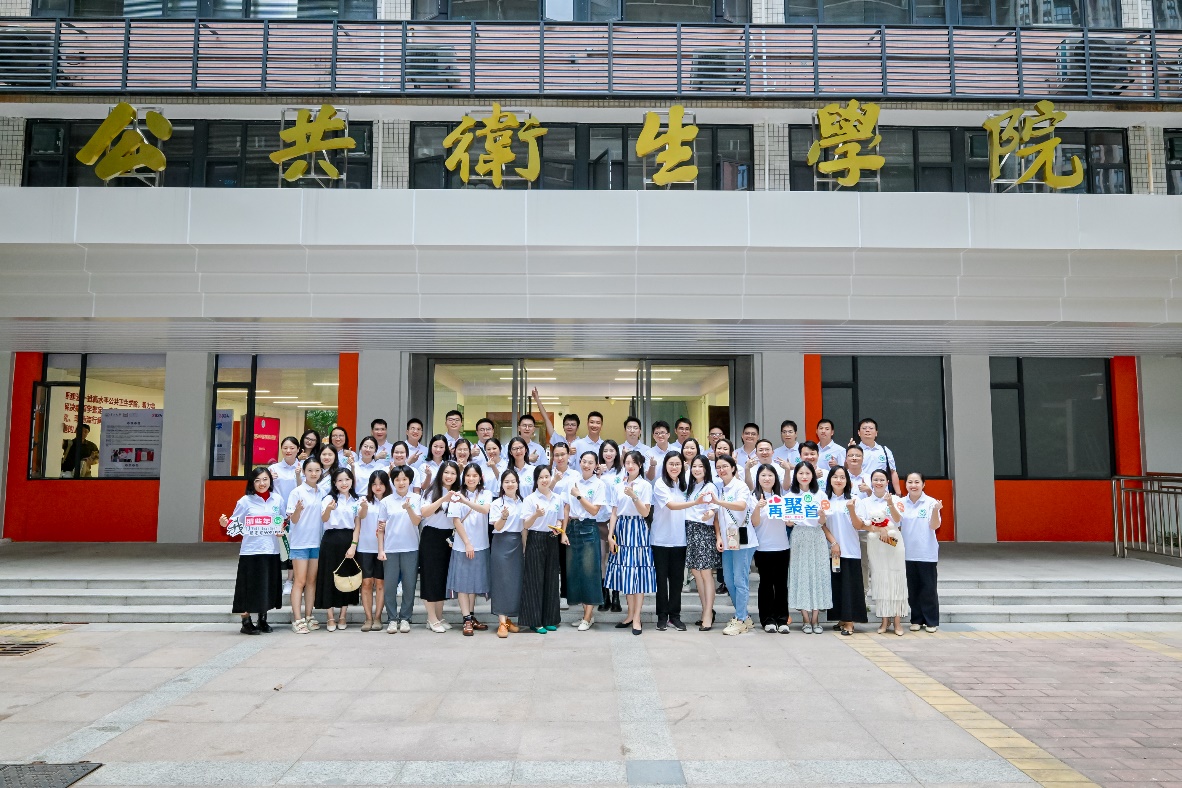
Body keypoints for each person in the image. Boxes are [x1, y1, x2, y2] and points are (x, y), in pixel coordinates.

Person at [221, 467, 283, 635]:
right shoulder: (245, 501)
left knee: (266, 586)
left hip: (271, 550)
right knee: (247, 587)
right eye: (257, 480)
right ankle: (246, 622)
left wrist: (281, 528)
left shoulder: (277, 499)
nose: (262, 483)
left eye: (265, 479)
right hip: (251, 551)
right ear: (252, 483)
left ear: (270, 481)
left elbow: (282, 520)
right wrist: (225, 523)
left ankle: (262, 620)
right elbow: (234, 524)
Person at [849, 469, 908, 636]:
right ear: (871, 482)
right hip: (875, 544)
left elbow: (898, 520)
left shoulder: (896, 499)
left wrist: (890, 504)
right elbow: (862, 524)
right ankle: (884, 620)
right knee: (880, 579)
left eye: (882, 479)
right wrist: (878, 529)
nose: (879, 482)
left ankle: (897, 621)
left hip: (894, 543)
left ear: (888, 482)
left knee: (896, 579)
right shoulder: (865, 502)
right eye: (876, 479)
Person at [605, 450, 655, 635]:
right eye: (627, 462)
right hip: (622, 528)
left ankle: (637, 618)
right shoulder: (618, 485)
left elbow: (645, 512)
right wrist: (610, 534)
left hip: (638, 528)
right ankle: (629, 615)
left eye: (634, 462)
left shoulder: (645, 485)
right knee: (626, 572)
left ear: (640, 465)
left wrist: (634, 495)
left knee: (638, 573)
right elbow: (614, 512)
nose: (630, 465)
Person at [787, 462, 837, 634]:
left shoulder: (820, 494)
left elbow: (823, 521)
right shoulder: (790, 496)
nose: (804, 476)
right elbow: (788, 522)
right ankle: (805, 619)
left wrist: (821, 516)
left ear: (813, 476)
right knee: (800, 573)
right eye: (800, 473)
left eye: (807, 473)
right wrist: (788, 520)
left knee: (818, 573)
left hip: (817, 536)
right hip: (799, 536)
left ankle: (815, 619)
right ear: (796, 475)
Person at [652, 452, 698, 632]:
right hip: (661, 540)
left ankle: (675, 617)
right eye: (671, 464)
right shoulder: (660, 483)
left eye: (677, 464)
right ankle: (662, 617)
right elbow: (671, 505)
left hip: (680, 539)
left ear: (682, 466)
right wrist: (695, 502)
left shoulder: (685, 484)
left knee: (677, 581)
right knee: (661, 580)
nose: (674, 467)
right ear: (665, 465)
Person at [447, 463, 493, 636]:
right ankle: (466, 618)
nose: (471, 478)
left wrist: (465, 501)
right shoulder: (455, 495)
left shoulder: (486, 493)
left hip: (482, 545)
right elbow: (456, 520)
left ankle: (471, 616)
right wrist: (467, 543)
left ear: (480, 477)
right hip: (462, 546)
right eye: (468, 475)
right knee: (462, 584)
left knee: (473, 583)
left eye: (475, 475)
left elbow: (485, 510)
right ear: (463, 477)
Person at [565, 451, 608, 631]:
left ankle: (588, 616)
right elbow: (566, 507)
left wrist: (579, 496)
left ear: (596, 465)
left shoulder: (599, 484)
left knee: (589, 572)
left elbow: (594, 510)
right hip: (572, 527)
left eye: (590, 462)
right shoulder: (572, 481)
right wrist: (563, 531)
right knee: (575, 572)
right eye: (584, 461)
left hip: (588, 527)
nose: (586, 465)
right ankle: (586, 615)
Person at [520, 466, 566, 634]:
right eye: (541, 477)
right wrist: (536, 515)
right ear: (536, 480)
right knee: (535, 580)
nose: (545, 480)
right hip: (535, 538)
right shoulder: (530, 499)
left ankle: (549, 619)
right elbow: (525, 524)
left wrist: (558, 527)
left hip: (552, 539)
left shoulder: (557, 498)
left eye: (547, 476)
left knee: (551, 579)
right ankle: (535, 621)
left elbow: (560, 519)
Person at [316, 467, 362, 632]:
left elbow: (357, 524)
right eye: (340, 480)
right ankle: (330, 617)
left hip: (349, 540)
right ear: (334, 483)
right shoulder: (328, 498)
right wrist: (329, 509)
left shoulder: (356, 500)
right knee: (329, 577)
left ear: (352, 481)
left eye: (347, 479)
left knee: (346, 577)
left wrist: (353, 545)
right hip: (330, 540)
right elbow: (324, 518)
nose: (344, 483)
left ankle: (343, 615)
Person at [714, 454, 755, 636]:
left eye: (725, 466)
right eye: (718, 467)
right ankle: (744, 616)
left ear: (733, 468)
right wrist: (718, 537)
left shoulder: (740, 486)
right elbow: (717, 516)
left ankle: (740, 619)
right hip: (728, 540)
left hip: (744, 541)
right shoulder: (719, 487)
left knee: (740, 580)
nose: (721, 470)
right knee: (729, 580)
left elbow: (741, 505)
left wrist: (718, 502)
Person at [824, 466, 867, 636]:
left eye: (842, 477)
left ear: (847, 481)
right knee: (836, 585)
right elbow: (822, 525)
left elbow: (859, 525)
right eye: (835, 477)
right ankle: (841, 618)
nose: (839, 480)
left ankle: (849, 622)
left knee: (850, 586)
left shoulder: (855, 500)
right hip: (832, 550)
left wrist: (851, 510)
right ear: (830, 479)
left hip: (850, 550)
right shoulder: (825, 500)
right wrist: (833, 543)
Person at [419, 460, 461, 633]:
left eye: (453, 473)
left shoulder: (459, 493)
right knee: (430, 577)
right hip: (431, 537)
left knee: (442, 578)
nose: (449, 476)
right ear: (440, 474)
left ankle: (439, 615)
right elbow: (424, 512)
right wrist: (443, 499)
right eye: (446, 472)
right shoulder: (431, 491)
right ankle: (431, 618)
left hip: (449, 538)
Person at [378, 465, 421, 634]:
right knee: (389, 586)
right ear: (393, 481)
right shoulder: (386, 501)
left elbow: (416, 521)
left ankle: (405, 618)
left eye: (404, 479)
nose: (401, 483)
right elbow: (380, 528)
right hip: (390, 548)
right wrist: (381, 550)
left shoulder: (416, 498)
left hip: (411, 547)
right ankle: (391, 618)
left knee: (409, 585)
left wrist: (408, 507)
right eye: (397, 479)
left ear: (410, 481)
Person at [900, 472, 943, 633]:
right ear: (905, 484)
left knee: (928, 589)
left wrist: (935, 511)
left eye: (917, 482)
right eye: (910, 482)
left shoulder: (931, 503)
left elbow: (934, 526)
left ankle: (931, 621)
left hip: (926, 553)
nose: (913, 485)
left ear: (923, 484)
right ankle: (916, 619)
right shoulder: (901, 503)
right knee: (913, 589)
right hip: (907, 553)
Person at [750, 463, 791, 634]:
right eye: (763, 476)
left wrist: (789, 517)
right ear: (758, 479)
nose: (767, 479)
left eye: (770, 475)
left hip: (782, 546)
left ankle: (782, 619)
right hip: (763, 548)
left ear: (775, 479)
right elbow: (754, 523)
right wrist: (758, 507)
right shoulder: (753, 498)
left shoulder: (782, 498)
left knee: (781, 584)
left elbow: (789, 522)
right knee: (766, 584)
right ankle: (767, 619)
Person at [286, 458, 324, 633]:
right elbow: (292, 520)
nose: (313, 474)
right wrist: (298, 510)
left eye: (317, 470)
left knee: (311, 581)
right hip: (300, 543)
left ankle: (309, 616)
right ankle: (297, 619)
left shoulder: (322, 492)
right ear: (304, 472)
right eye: (310, 470)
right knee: (299, 581)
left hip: (316, 542)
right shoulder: (297, 492)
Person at [350, 469, 390, 632]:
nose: (378, 487)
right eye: (374, 484)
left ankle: (378, 617)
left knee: (380, 583)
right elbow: (360, 519)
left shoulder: (390, 501)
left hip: (385, 548)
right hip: (365, 548)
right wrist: (364, 507)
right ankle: (368, 618)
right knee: (366, 583)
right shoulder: (363, 500)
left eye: (381, 483)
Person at [489, 468, 526, 638]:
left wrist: (525, 547)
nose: (510, 484)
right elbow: (497, 527)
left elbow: (524, 527)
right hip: (501, 543)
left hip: (517, 543)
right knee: (501, 581)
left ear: (518, 483)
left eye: (513, 481)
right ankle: (501, 621)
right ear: (502, 485)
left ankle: (509, 618)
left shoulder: (523, 502)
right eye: (506, 482)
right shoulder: (497, 503)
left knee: (514, 582)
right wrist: (503, 517)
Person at [684, 455, 719, 630]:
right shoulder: (691, 486)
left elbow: (714, 509)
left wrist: (709, 515)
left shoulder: (709, 486)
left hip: (703, 531)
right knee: (696, 573)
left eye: (700, 466)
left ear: (706, 469)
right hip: (690, 530)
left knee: (705, 573)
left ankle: (708, 614)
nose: (697, 469)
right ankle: (706, 610)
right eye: (694, 466)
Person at [269, 435, 303, 596]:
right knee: (277, 547)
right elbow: (265, 489)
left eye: (292, 448)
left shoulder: (304, 467)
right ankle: (274, 580)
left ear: (298, 450)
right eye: (285, 448)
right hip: (278, 515)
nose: (288, 451)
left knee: (293, 548)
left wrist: (298, 475)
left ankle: (290, 580)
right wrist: (269, 480)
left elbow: (304, 489)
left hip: (297, 514)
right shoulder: (273, 468)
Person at [596, 440, 624, 613]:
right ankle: (604, 595)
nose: (608, 453)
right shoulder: (595, 471)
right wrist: (598, 475)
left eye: (611, 450)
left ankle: (616, 596)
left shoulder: (622, 472)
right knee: (601, 559)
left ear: (616, 453)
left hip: (617, 520)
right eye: (605, 450)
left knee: (616, 558)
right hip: (600, 519)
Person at [855, 418, 900, 495]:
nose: (867, 430)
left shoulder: (885, 450)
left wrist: (898, 492)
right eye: (864, 428)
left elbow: (893, 472)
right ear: (859, 432)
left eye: (871, 428)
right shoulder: (854, 451)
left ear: (876, 433)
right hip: (860, 491)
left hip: (882, 492)